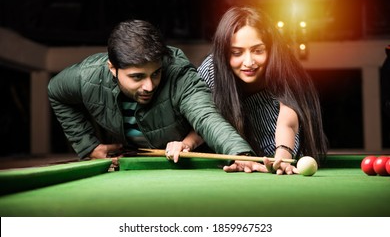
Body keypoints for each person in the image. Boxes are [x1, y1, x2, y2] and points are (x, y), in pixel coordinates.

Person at [48, 19, 263, 171]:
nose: (149, 86)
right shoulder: (88, 76)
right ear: (112, 68)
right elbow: (56, 92)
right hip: (129, 164)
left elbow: (207, 117)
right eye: (137, 77)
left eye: (156, 73)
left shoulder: (179, 74)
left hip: (186, 165)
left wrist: (240, 154)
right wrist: (88, 146)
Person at [197, 6, 328, 175]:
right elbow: (201, 115)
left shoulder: (283, 65)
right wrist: (186, 144)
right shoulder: (212, 69)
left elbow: (288, 120)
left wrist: (282, 156)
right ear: (224, 53)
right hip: (231, 158)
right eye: (237, 53)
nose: (249, 62)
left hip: (281, 150)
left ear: (270, 48)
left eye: (258, 51)